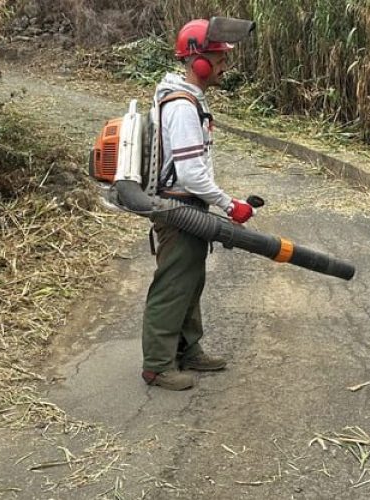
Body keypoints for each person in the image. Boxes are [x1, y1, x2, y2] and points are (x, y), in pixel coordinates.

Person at [140, 18, 255, 391]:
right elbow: (190, 174)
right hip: (178, 208)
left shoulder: (186, 99)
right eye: (218, 59)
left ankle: (188, 350)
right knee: (173, 285)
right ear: (197, 61)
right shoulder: (182, 106)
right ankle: (157, 366)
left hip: (187, 206)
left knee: (191, 281)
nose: (223, 66)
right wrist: (228, 204)